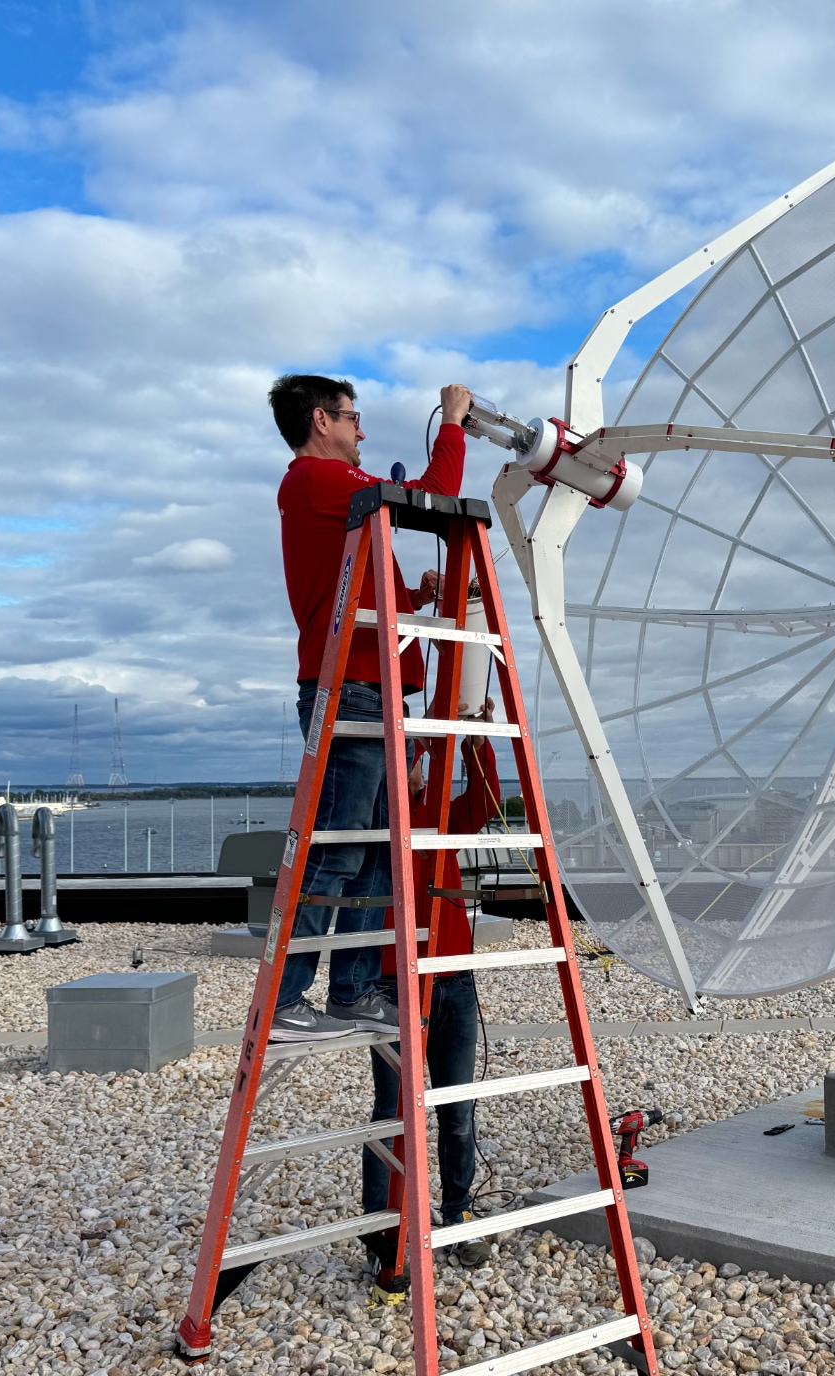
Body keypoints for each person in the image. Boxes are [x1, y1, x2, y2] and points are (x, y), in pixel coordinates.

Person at [266, 373, 473, 1042]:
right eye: (354, 419)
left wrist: (414, 589)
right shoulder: (314, 481)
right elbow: (436, 498)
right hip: (351, 688)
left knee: (380, 850)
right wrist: (452, 422)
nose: (362, 431)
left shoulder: (335, 497)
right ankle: (287, 1000)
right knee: (341, 846)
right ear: (322, 421)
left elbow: (357, 585)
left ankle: (351, 992)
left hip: (374, 688)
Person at [360, 717, 501, 1299]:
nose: (416, 767)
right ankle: (383, 1236)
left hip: (454, 982)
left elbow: (487, 799)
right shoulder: (379, 821)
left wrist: (474, 740)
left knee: (456, 1110)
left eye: (418, 758)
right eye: (409, 757)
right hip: (396, 985)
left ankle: (457, 1214)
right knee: (392, 1113)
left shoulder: (443, 818)